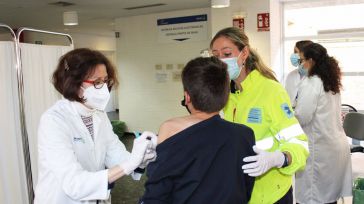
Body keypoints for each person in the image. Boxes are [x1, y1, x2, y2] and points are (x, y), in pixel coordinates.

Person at [34, 48, 157, 204]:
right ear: (74, 83)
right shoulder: (54, 120)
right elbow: (74, 184)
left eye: (105, 81)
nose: (104, 88)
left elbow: (114, 153)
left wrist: (141, 158)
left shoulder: (98, 114)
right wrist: (129, 164)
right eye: (97, 82)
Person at [210, 27, 309, 204]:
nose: (221, 61)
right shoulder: (228, 94)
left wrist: (278, 158)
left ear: (244, 53)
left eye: (226, 54)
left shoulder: (271, 91)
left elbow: (299, 144)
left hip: (270, 195)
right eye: (215, 56)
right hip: (241, 192)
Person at [140, 57, 256, 203]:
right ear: (226, 97)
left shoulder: (170, 129)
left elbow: (157, 191)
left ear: (187, 97)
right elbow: (246, 187)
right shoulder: (245, 135)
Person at [294, 43, 352, 204]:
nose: (301, 64)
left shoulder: (312, 82)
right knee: (329, 197)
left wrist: (289, 115)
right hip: (334, 145)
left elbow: (302, 116)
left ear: (311, 61)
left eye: (302, 60)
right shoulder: (330, 81)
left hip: (318, 147)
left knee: (312, 197)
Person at [285, 40, 313, 105]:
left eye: (296, 52)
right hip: (292, 113)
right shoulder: (291, 75)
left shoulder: (318, 76)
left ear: (305, 54)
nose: (293, 55)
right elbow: (287, 99)